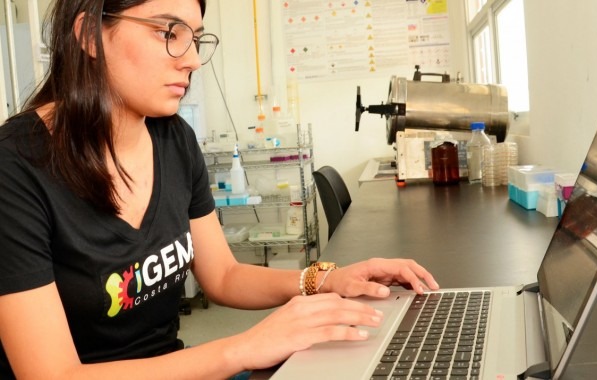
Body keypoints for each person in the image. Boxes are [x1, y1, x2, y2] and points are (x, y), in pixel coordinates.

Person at [0, 0, 439, 378]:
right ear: (90, 36)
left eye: (196, 38)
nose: (191, 59)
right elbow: (52, 374)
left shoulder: (173, 140)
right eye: (168, 32)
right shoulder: (16, 166)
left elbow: (224, 276)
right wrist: (242, 349)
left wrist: (327, 279)